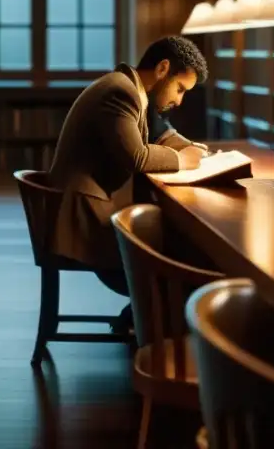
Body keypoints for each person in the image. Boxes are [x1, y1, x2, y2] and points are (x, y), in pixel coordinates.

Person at [48, 36, 209, 302]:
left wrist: (193, 148)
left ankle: (143, 323)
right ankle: (156, 329)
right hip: (83, 221)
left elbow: (156, 133)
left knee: (173, 247)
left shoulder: (129, 88)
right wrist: (183, 160)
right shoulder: (120, 93)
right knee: (180, 265)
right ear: (162, 69)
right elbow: (136, 156)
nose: (179, 101)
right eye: (180, 89)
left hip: (91, 210)